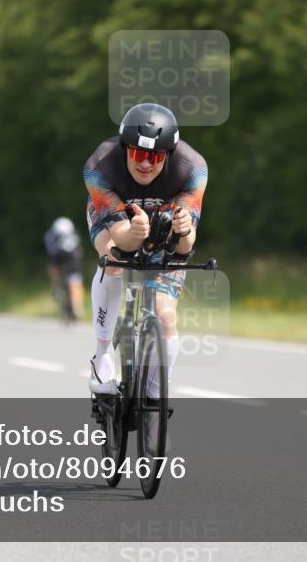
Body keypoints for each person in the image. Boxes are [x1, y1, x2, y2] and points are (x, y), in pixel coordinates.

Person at [82, 103, 207, 397]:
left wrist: (185, 228)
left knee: (165, 318)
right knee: (113, 260)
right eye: (139, 154)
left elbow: (186, 247)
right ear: (126, 148)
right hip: (118, 222)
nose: (146, 164)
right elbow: (123, 241)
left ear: (169, 155)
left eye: (155, 156)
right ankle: (102, 358)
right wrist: (135, 232)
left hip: (166, 221)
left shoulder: (193, 168)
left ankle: (153, 399)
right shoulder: (99, 166)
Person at [44, 217, 84, 321]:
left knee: (54, 269)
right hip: (73, 258)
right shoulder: (75, 234)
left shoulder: (51, 236)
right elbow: (78, 251)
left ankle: (56, 285)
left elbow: (51, 253)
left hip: (60, 257)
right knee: (76, 279)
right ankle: (78, 307)